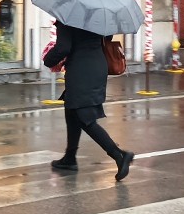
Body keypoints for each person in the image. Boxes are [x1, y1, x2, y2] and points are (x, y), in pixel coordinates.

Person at [43, 20, 134, 181]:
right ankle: (69, 158)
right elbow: (107, 37)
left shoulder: (67, 18)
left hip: (81, 70)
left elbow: (64, 47)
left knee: (85, 117)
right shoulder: (97, 16)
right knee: (72, 110)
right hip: (97, 66)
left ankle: (119, 155)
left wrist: (48, 60)